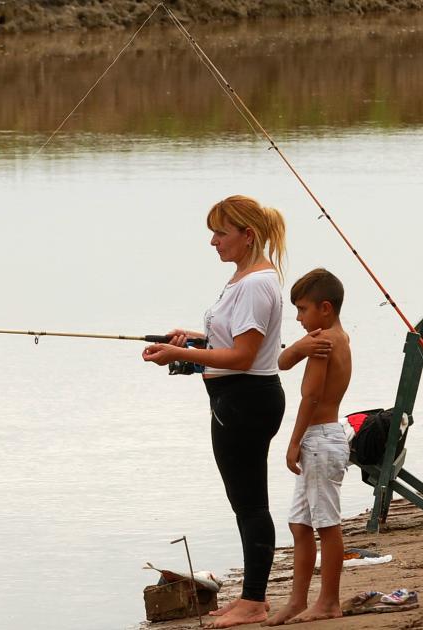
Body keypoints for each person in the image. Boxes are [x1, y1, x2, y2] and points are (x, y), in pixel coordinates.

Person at [142, 195, 317, 628]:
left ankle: (254, 601)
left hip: (246, 400)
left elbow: (243, 356)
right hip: (236, 399)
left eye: (220, 233)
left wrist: (180, 356)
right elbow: (238, 341)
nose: (213, 242)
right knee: (245, 502)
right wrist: (193, 339)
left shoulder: (258, 283)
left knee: (250, 505)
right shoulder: (245, 278)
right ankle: (250, 597)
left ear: (247, 235)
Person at [264, 268, 352, 626]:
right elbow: (281, 361)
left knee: (326, 525)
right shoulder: (335, 336)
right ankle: (298, 600)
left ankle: (329, 601)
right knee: (299, 524)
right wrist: (298, 346)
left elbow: (311, 396)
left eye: (302, 309)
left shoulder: (323, 343)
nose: (298, 318)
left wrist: (293, 441)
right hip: (326, 439)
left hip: (319, 440)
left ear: (325, 308)